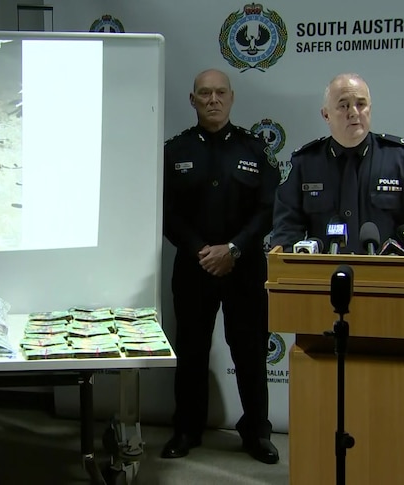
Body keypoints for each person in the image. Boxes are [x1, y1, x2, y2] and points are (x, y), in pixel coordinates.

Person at [161, 68, 281, 464]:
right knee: (192, 351)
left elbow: (267, 210)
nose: (213, 100)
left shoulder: (255, 150)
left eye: (220, 93)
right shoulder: (173, 152)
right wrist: (202, 250)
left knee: (249, 353)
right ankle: (186, 428)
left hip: (245, 270)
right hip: (193, 268)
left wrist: (234, 249)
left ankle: (256, 431)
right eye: (204, 93)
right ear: (192, 100)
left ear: (231, 98)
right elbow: (165, 212)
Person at [272, 72, 404, 292]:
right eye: (343, 106)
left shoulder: (401, 158)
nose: (353, 113)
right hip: (321, 288)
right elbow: (286, 229)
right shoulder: (305, 164)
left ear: (370, 109)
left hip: (390, 287)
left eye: (361, 104)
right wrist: (290, 274)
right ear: (326, 115)